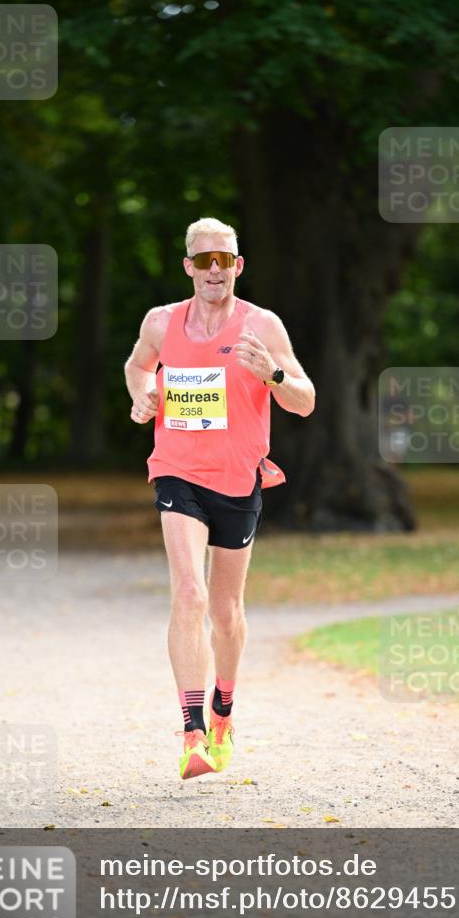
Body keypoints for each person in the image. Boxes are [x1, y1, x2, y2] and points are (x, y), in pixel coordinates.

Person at [125, 217, 315, 779]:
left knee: (226, 614)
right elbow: (137, 367)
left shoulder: (262, 325)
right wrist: (144, 395)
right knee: (189, 592)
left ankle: (222, 710)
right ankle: (192, 734)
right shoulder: (161, 323)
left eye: (224, 260)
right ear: (188, 266)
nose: (215, 270)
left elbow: (305, 400)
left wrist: (274, 375)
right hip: (177, 471)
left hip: (237, 480)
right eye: (205, 260)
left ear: (238, 266)